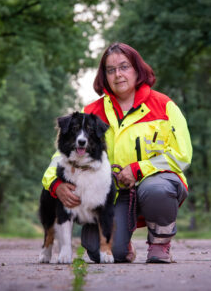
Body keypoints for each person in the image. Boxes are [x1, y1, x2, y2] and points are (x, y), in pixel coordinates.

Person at [42, 42, 192, 263]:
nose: (118, 75)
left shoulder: (165, 106)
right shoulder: (91, 113)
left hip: (155, 183)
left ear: (137, 69)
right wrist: (55, 184)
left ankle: (160, 244)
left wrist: (139, 170)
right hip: (113, 195)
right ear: (104, 76)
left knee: (156, 189)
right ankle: (124, 242)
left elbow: (182, 155)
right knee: (101, 252)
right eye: (110, 70)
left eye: (124, 67)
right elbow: (62, 156)